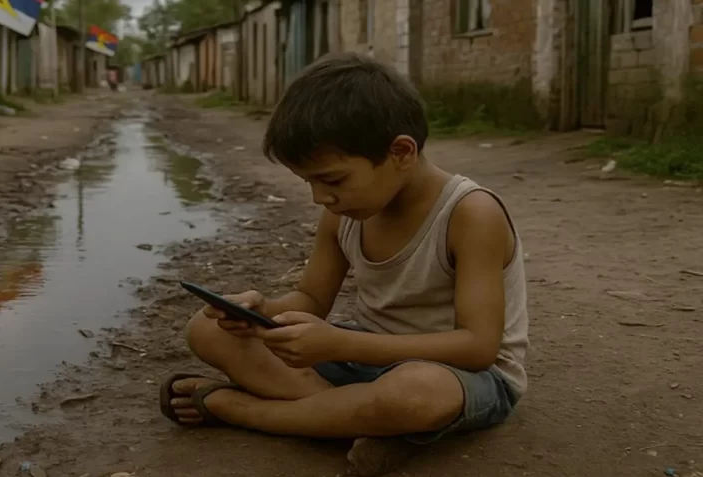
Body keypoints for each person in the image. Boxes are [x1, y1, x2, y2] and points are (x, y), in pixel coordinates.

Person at [159, 52, 529, 476]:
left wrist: (339, 344)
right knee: (205, 329)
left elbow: (478, 347)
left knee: (413, 394)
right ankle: (354, 421)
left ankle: (240, 409)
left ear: (401, 152)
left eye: (332, 180)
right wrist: (261, 315)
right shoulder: (343, 212)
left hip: (466, 377)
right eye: (309, 183)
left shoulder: (470, 214)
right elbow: (312, 298)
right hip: (368, 356)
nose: (320, 198)